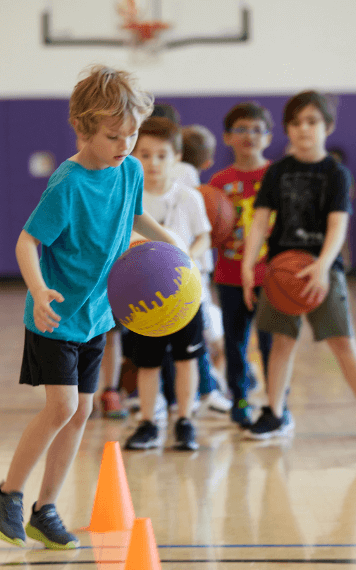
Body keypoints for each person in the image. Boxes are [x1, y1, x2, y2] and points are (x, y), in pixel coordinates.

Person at [0, 65, 176, 549]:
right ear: (84, 129)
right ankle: (7, 494)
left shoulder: (128, 170)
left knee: (82, 411)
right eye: (114, 136)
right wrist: (39, 287)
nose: (126, 146)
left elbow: (135, 216)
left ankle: (45, 509)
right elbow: (28, 241)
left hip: (96, 316)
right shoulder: (67, 183)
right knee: (62, 404)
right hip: (55, 316)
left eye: (132, 135)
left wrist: (170, 243)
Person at [241, 90, 356, 440]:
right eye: (296, 122)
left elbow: (337, 224)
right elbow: (259, 221)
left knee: (343, 341)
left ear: (327, 127)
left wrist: (323, 266)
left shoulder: (336, 173)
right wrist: (247, 265)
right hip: (282, 267)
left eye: (312, 121)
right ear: (287, 128)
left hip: (322, 269)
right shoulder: (277, 172)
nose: (303, 129)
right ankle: (273, 411)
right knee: (281, 342)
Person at [124, 116, 212, 451]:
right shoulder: (129, 200)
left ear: (176, 157)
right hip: (144, 297)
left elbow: (205, 236)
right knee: (147, 362)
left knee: (186, 358)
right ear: (133, 155)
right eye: (144, 155)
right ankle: (148, 421)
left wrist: (188, 256)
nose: (153, 163)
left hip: (186, 296)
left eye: (161, 155)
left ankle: (185, 419)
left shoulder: (189, 197)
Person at [208, 102, 276, 428]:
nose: (249, 135)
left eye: (257, 129)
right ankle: (239, 398)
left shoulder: (277, 177)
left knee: (271, 343)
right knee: (235, 342)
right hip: (230, 274)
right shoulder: (218, 183)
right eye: (241, 129)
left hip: (272, 276)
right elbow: (209, 230)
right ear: (226, 137)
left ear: (268, 136)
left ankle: (278, 402)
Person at [180, 124, 231, 413]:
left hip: (176, 264)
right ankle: (208, 389)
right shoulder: (190, 181)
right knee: (202, 334)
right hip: (192, 268)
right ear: (208, 161)